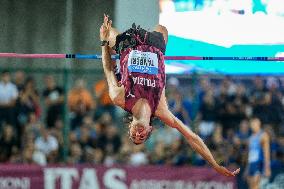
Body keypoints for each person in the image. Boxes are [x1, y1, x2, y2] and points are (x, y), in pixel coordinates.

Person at [99, 14, 240, 177]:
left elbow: (107, 69)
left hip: (129, 44)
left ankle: (113, 53)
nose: (138, 134)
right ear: (150, 130)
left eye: (134, 136)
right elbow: (192, 137)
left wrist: (103, 43)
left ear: (129, 127)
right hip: (154, 46)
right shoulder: (161, 109)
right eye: (141, 137)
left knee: (108, 34)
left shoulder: (119, 98)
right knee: (163, 29)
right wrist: (214, 164)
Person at [247, 117, 271, 189]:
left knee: (256, 185)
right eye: (251, 124)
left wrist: (267, 167)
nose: (252, 126)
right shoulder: (250, 137)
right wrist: (247, 168)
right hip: (251, 164)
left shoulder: (263, 135)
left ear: (258, 124)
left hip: (259, 163)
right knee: (251, 186)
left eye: (253, 124)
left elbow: (266, 152)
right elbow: (249, 154)